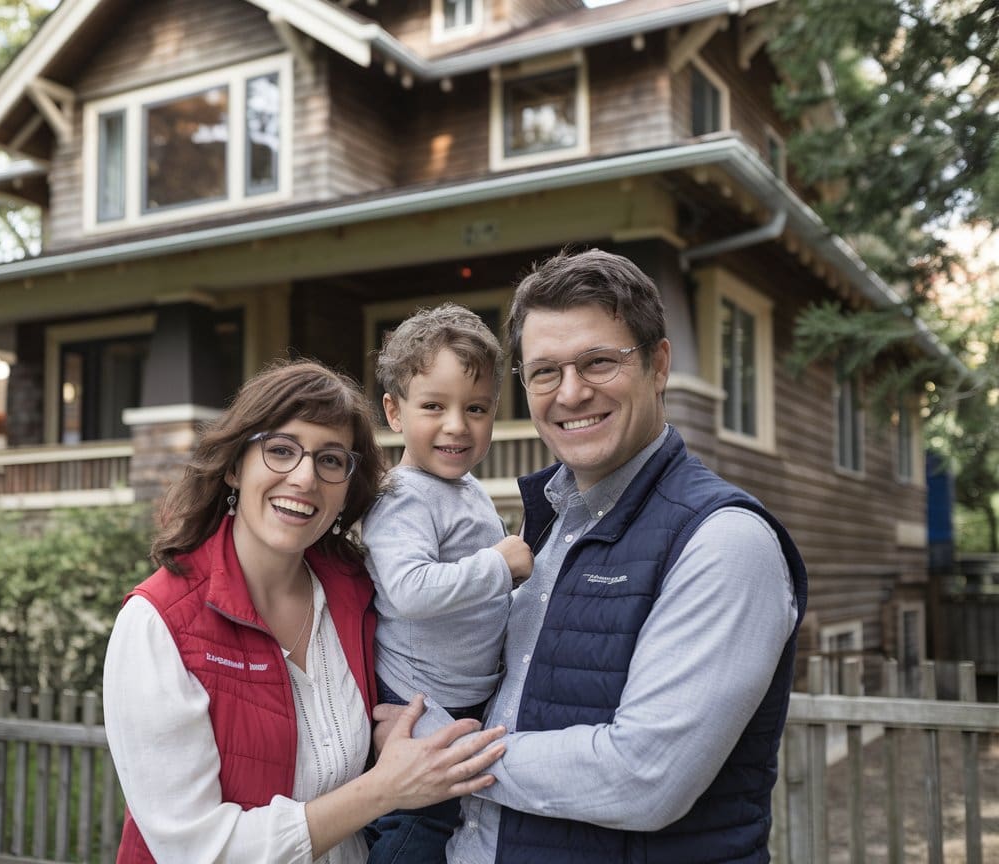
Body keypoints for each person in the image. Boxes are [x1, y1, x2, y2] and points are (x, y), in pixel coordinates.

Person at [437, 248, 809, 863]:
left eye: (599, 362)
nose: (572, 393)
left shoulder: (723, 540)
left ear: (658, 365)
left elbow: (645, 776)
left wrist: (437, 755)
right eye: (544, 372)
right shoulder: (545, 529)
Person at [101, 359, 507, 864]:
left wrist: (382, 740)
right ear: (234, 465)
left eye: (331, 460)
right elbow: (194, 848)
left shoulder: (357, 593)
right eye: (280, 451)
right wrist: (384, 787)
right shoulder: (158, 624)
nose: (304, 477)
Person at [362, 305, 533, 864]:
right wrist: (498, 565)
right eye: (433, 406)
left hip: (466, 694)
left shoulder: (467, 490)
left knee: (457, 823)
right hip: (419, 701)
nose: (457, 425)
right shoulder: (403, 495)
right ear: (394, 411)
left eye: (476, 408)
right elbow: (410, 590)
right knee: (418, 825)